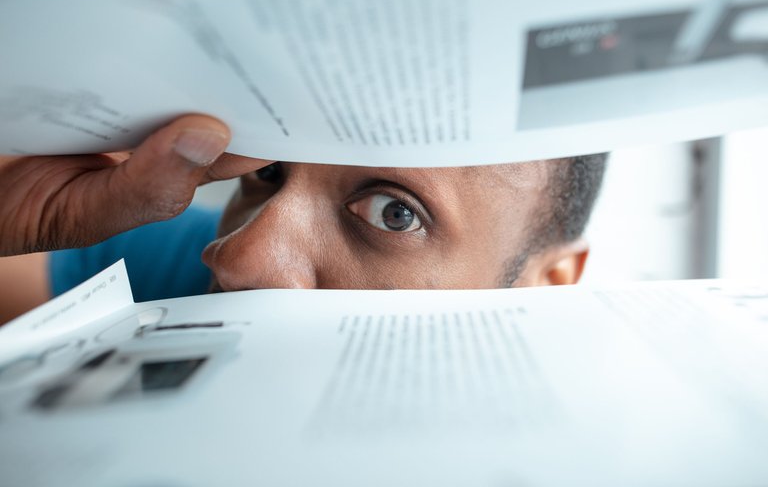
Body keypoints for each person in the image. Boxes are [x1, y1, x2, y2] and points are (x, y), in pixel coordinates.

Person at [0, 114, 607, 323]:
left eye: (395, 213)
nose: (236, 259)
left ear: (543, 289)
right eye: (266, 173)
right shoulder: (168, 277)